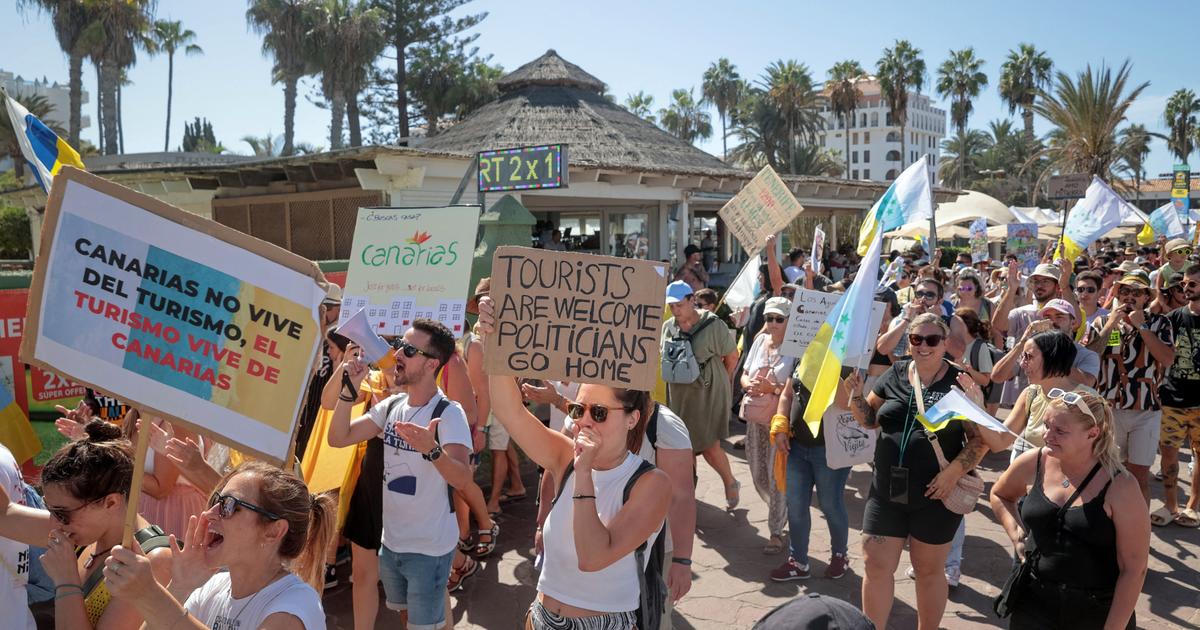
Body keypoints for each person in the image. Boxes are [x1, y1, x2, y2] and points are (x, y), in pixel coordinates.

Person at [477, 296, 672, 629]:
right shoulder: (563, 456)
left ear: (631, 419)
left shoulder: (650, 483)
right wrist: (495, 344)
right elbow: (510, 413)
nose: (583, 421)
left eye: (598, 412)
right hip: (542, 617)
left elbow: (593, 557)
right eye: (577, 410)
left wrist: (584, 474)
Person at [328, 319, 475, 630]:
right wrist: (347, 392)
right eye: (399, 347)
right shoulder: (393, 405)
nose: (396, 354)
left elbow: (462, 478)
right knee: (408, 618)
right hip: (392, 543)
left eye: (408, 350)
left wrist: (431, 450)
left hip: (429, 549)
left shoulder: (449, 413)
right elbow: (338, 437)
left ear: (432, 363)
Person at [846, 313, 987, 630]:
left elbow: (980, 442)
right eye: (916, 339)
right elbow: (870, 420)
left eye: (932, 340)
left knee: (927, 571)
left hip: (935, 494)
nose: (924, 346)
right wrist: (854, 395)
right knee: (876, 564)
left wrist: (952, 474)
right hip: (886, 491)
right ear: (908, 341)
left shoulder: (959, 382)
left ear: (945, 343)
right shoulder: (896, 373)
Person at [102, 461, 333, 630]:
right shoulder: (213, 587)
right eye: (216, 501)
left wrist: (150, 595)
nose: (209, 513)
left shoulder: (296, 605)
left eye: (230, 505)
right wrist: (180, 586)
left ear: (274, 531)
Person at [989, 391, 1149, 629]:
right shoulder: (1034, 461)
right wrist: (1016, 534)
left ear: (1092, 434)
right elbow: (1000, 494)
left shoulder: (1121, 486)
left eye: (1060, 431)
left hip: (1093, 612)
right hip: (1034, 602)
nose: (1047, 436)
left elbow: (1134, 569)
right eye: (1046, 426)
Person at [0, 421, 174, 629]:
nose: (54, 522)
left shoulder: (151, 561)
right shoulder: (87, 535)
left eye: (62, 513)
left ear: (111, 502)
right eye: (48, 508)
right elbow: (4, 514)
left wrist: (66, 580)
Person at [1082, 271, 1174, 505]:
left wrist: (1142, 327)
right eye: (1124, 291)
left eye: (1136, 292)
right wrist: (1111, 323)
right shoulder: (1104, 322)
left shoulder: (1160, 323)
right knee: (1106, 472)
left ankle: (1139, 527)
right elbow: (1089, 356)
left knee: (1138, 476)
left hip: (1145, 410)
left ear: (1146, 297)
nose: (1129, 297)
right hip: (1110, 410)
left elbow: (1167, 359)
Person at [662, 280, 742, 509]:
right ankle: (689, 493)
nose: (675, 310)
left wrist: (724, 382)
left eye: (679, 304)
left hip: (707, 391)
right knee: (684, 446)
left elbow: (732, 356)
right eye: (671, 306)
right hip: (679, 393)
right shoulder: (669, 327)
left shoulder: (713, 324)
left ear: (691, 300)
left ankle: (730, 482)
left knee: (708, 445)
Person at [768, 372, 853, 582]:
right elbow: (787, 394)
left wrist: (829, 365)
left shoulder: (844, 358)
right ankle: (798, 562)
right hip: (796, 447)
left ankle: (840, 556)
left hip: (830, 449)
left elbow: (847, 403)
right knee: (795, 506)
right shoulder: (800, 355)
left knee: (830, 504)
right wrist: (780, 426)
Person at [739, 296, 796, 555]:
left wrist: (770, 388)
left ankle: (776, 530)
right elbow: (743, 373)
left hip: (778, 423)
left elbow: (798, 387)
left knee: (776, 477)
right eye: (768, 318)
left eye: (778, 319)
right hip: (755, 418)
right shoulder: (760, 340)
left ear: (789, 321)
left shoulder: (796, 349)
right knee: (758, 473)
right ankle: (785, 510)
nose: (772, 323)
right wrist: (747, 385)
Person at [981, 331, 1089, 462]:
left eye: (1029, 357)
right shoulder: (1030, 393)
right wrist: (976, 407)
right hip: (1032, 479)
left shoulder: (1086, 401)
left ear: (1052, 359)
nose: (1022, 364)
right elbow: (999, 442)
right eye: (1023, 357)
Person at [1155, 263, 1200, 528]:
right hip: (1172, 400)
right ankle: (1171, 505)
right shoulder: (1173, 318)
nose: (1185, 288)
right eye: (1183, 283)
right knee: (1169, 456)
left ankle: (1193, 507)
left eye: (1192, 284)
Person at [991, 299, 1100, 400]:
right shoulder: (1033, 351)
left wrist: (1051, 356)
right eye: (1047, 317)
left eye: (1059, 317)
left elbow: (1087, 384)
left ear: (1072, 323)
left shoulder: (1086, 355)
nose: (1052, 322)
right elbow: (997, 376)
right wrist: (1022, 343)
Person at [876, 278, 969, 361]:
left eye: (930, 295)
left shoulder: (953, 321)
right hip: (907, 374)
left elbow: (958, 352)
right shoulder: (901, 320)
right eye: (919, 294)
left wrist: (938, 321)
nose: (923, 299)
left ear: (940, 301)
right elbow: (882, 349)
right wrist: (906, 320)